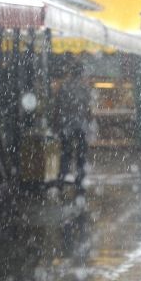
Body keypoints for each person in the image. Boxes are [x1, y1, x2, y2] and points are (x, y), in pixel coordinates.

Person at [56, 59, 90, 191]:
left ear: (71, 72)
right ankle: (79, 178)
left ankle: (62, 177)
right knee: (81, 153)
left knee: (65, 152)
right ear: (81, 73)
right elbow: (87, 109)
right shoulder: (84, 88)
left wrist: (57, 122)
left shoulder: (64, 87)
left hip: (66, 124)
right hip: (80, 125)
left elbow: (58, 106)